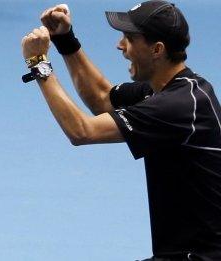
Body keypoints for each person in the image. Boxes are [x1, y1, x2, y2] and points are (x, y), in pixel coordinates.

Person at [21, 1, 221, 260]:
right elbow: (102, 97)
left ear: (157, 49)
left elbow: (82, 131)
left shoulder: (178, 105)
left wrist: (39, 63)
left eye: (129, 38)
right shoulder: (169, 90)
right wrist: (65, 40)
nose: (120, 46)